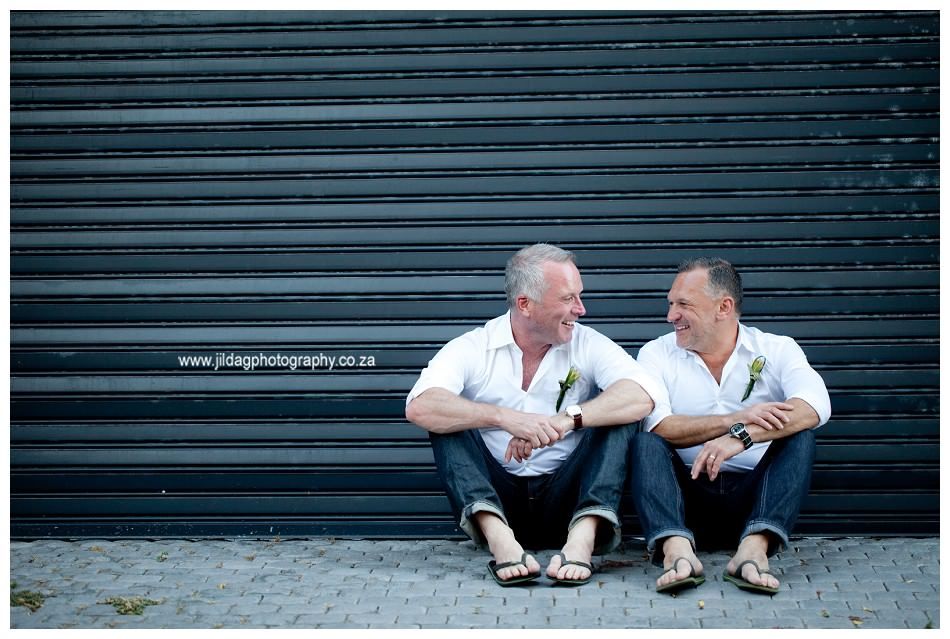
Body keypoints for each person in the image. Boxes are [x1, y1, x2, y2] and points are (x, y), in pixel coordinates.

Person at [405, 243, 661, 586]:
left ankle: (583, 540)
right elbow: (419, 405)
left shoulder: (585, 342)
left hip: (568, 501)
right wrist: (503, 417)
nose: (581, 309)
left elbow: (642, 396)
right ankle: (501, 541)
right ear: (525, 304)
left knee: (618, 413)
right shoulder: (475, 347)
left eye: (579, 296)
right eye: (568, 299)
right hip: (498, 503)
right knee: (445, 416)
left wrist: (566, 419)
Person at [629, 257, 831, 595]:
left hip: (756, 501)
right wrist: (732, 420)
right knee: (644, 443)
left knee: (801, 435)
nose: (670, 316)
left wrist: (742, 437)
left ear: (724, 307)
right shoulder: (656, 353)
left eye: (683, 304)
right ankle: (677, 554)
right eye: (670, 304)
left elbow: (815, 405)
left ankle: (752, 552)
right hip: (685, 501)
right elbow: (659, 425)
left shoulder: (776, 349)